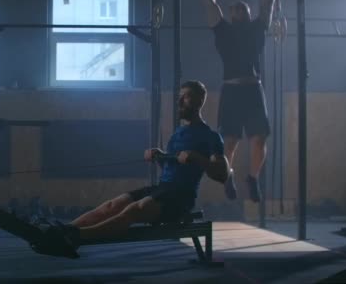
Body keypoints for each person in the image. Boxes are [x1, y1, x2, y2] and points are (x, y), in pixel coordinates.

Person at [36, 81, 230, 257]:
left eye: (185, 96)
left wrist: (197, 157)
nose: (179, 101)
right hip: (163, 187)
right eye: (179, 96)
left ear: (199, 100)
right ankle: (64, 230)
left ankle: (76, 236)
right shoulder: (179, 132)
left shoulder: (210, 136)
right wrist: (159, 155)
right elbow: (173, 165)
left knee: (137, 209)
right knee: (113, 204)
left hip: (181, 197)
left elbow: (222, 174)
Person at [200, 0, 277, 203]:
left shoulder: (257, 28)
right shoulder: (222, 29)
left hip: (254, 88)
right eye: (236, 8)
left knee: (259, 138)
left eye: (243, 7)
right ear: (231, 15)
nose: (239, 9)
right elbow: (210, 3)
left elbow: (268, 3)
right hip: (232, 90)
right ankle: (229, 175)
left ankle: (253, 178)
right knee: (230, 142)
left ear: (248, 12)